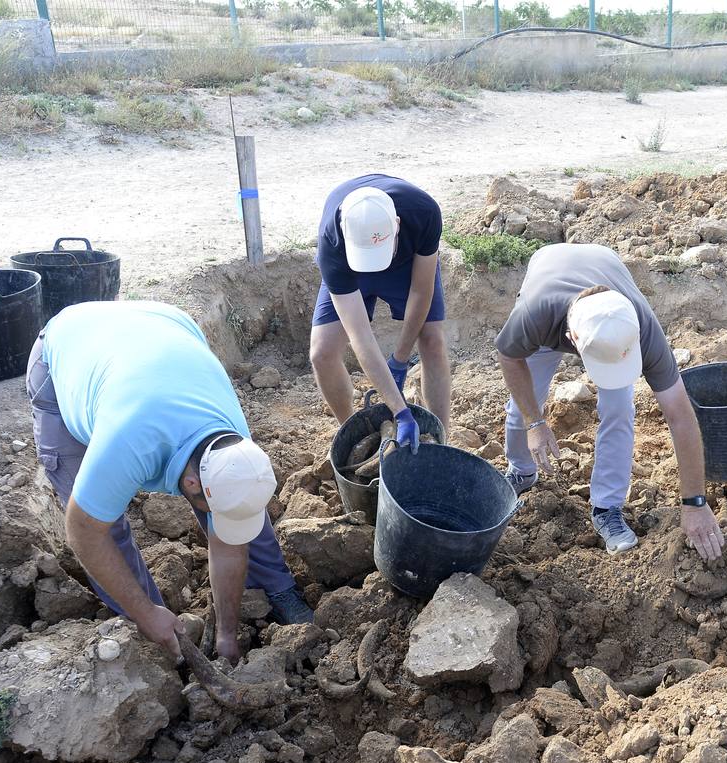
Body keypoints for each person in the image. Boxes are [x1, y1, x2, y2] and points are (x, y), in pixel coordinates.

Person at [26, 301, 313, 665]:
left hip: (162, 327)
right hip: (64, 353)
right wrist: (146, 614)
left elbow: (228, 541)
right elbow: (83, 532)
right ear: (192, 484)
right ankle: (164, 644)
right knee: (104, 525)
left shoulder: (234, 446)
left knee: (236, 503)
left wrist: (227, 633)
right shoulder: (128, 442)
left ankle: (277, 586)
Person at [496, 243, 724, 561]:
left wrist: (695, 503)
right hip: (551, 271)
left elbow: (681, 416)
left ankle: (607, 508)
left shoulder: (639, 326)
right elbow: (509, 357)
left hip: (604, 266)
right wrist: (536, 422)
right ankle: (521, 471)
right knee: (522, 404)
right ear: (572, 338)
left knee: (619, 408)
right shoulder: (536, 313)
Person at [310, 174, 450, 449]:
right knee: (322, 352)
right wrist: (400, 411)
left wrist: (399, 359)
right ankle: (353, 435)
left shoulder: (423, 212)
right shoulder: (333, 241)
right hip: (352, 267)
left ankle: (441, 442)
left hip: (405, 265)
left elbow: (421, 292)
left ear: (396, 225)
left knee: (433, 340)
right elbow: (359, 334)